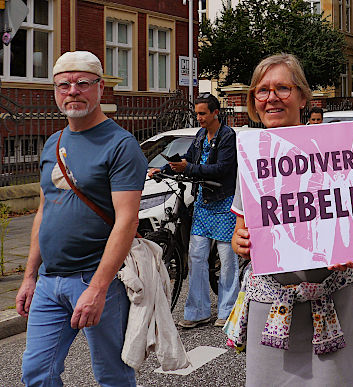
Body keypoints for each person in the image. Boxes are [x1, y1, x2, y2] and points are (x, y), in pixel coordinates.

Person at [230, 54, 353, 386]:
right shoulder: (251, 154)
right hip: (272, 306)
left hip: (333, 301)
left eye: (282, 87)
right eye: (262, 90)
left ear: (304, 97)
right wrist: (240, 242)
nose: (271, 97)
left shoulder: (336, 151)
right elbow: (241, 229)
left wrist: (352, 246)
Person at [15, 51, 147, 386]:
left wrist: (99, 288)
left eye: (82, 83)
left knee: (112, 375)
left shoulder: (121, 145)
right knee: (36, 373)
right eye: (64, 85)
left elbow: (127, 221)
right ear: (55, 92)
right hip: (48, 281)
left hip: (95, 278)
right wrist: (30, 276)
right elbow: (44, 212)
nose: (73, 91)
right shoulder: (52, 143)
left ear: (100, 88)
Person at [149, 93, 239, 328]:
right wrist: (164, 168)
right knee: (197, 257)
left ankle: (228, 310)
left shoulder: (227, 136)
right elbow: (189, 158)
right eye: (197, 113)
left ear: (215, 113)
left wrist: (190, 167)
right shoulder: (200, 135)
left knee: (227, 259)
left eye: (202, 113)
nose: (198, 118)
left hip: (224, 203)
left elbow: (223, 168)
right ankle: (198, 311)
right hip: (203, 203)